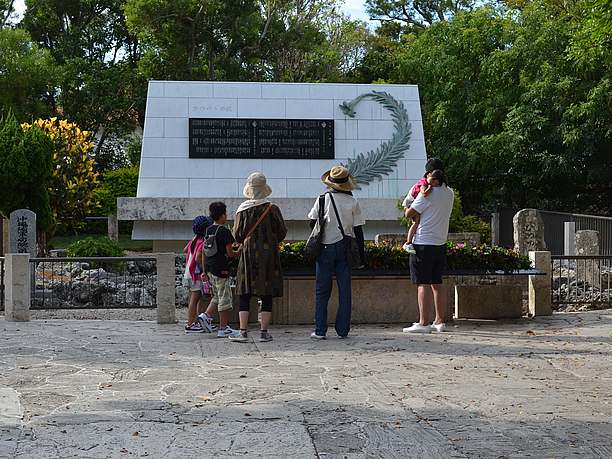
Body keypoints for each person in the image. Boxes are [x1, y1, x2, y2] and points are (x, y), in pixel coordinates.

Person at [307, 165, 366, 339]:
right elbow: (359, 231)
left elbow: (312, 223)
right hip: (345, 248)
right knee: (345, 291)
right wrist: (361, 256)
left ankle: (320, 330)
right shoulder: (353, 201)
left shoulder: (322, 199)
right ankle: (342, 330)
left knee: (322, 291)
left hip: (325, 247)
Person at [229, 172, 287, 343]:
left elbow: (238, 235)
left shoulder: (243, 210)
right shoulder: (272, 209)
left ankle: (243, 331)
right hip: (269, 256)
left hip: (248, 255)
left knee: (244, 292)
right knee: (267, 292)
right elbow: (282, 232)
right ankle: (263, 332)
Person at [402, 168, 454, 333]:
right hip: (440, 242)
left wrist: (417, 196)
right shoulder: (449, 193)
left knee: (422, 283)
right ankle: (439, 321)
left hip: (423, 242)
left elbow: (409, 212)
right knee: (437, 283)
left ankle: (423, 322)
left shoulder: (427, 194)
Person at [198, 202, 241, 338]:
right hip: (221, 269)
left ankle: (205, 316)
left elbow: (204, 252)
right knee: (225, 299)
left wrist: (204, 271)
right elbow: (230, 253)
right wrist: (239, 250)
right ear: (222, 215)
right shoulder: (224, 231)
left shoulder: (208, 230)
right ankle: (223, 328)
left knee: (217, 296)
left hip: (210, 269)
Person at [402, 158, 445, 254]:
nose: (437, 181)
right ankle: (408, 243)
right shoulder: (425, 184)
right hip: (439, 244)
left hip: (424, 243)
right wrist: (430, 187)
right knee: (416, 222)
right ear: (429, 174)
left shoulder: (432, 189)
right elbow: (423, 194)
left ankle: (408, 242)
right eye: (435, 177)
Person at [183, 215, 213, 333]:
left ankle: (197, 322)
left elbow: (185, 249)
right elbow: (198, 258)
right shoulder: (202, 241)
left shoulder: (194, 240)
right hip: (196, 274)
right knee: (195, 299)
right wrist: (205, 269)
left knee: (198, 298)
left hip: (189, 273)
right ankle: (190, 324)